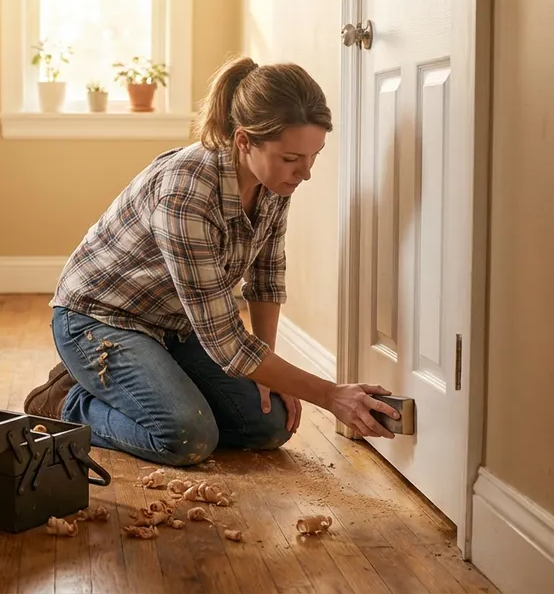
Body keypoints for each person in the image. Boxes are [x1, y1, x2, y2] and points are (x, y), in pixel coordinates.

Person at [23, 54, 400, 467]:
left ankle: (148, 385)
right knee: (187, 438)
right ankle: (68, 403)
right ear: (244, 141)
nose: (305, 173)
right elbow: (225, 344)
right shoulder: (186, 191)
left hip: (176, 324)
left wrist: (266, 373)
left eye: (314, 156)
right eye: (291, 159)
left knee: (268, 425)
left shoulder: (273, 183)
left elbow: (266, 279)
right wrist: (329, 394)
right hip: (99, 321)